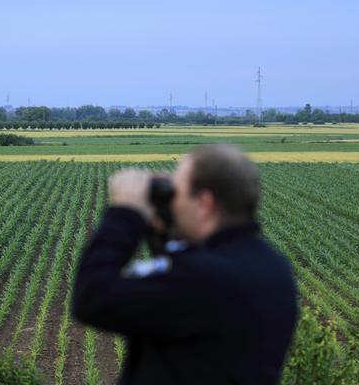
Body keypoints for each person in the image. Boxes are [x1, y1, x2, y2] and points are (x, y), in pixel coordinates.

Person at [72, 144, 298, 384]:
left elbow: (92, 296)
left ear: (204, 203)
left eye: (176, 192)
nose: (172, 203)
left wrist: (125, 213)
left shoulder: (203, 278)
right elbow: (181, 290)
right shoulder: (273, 267)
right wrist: (162, 231)